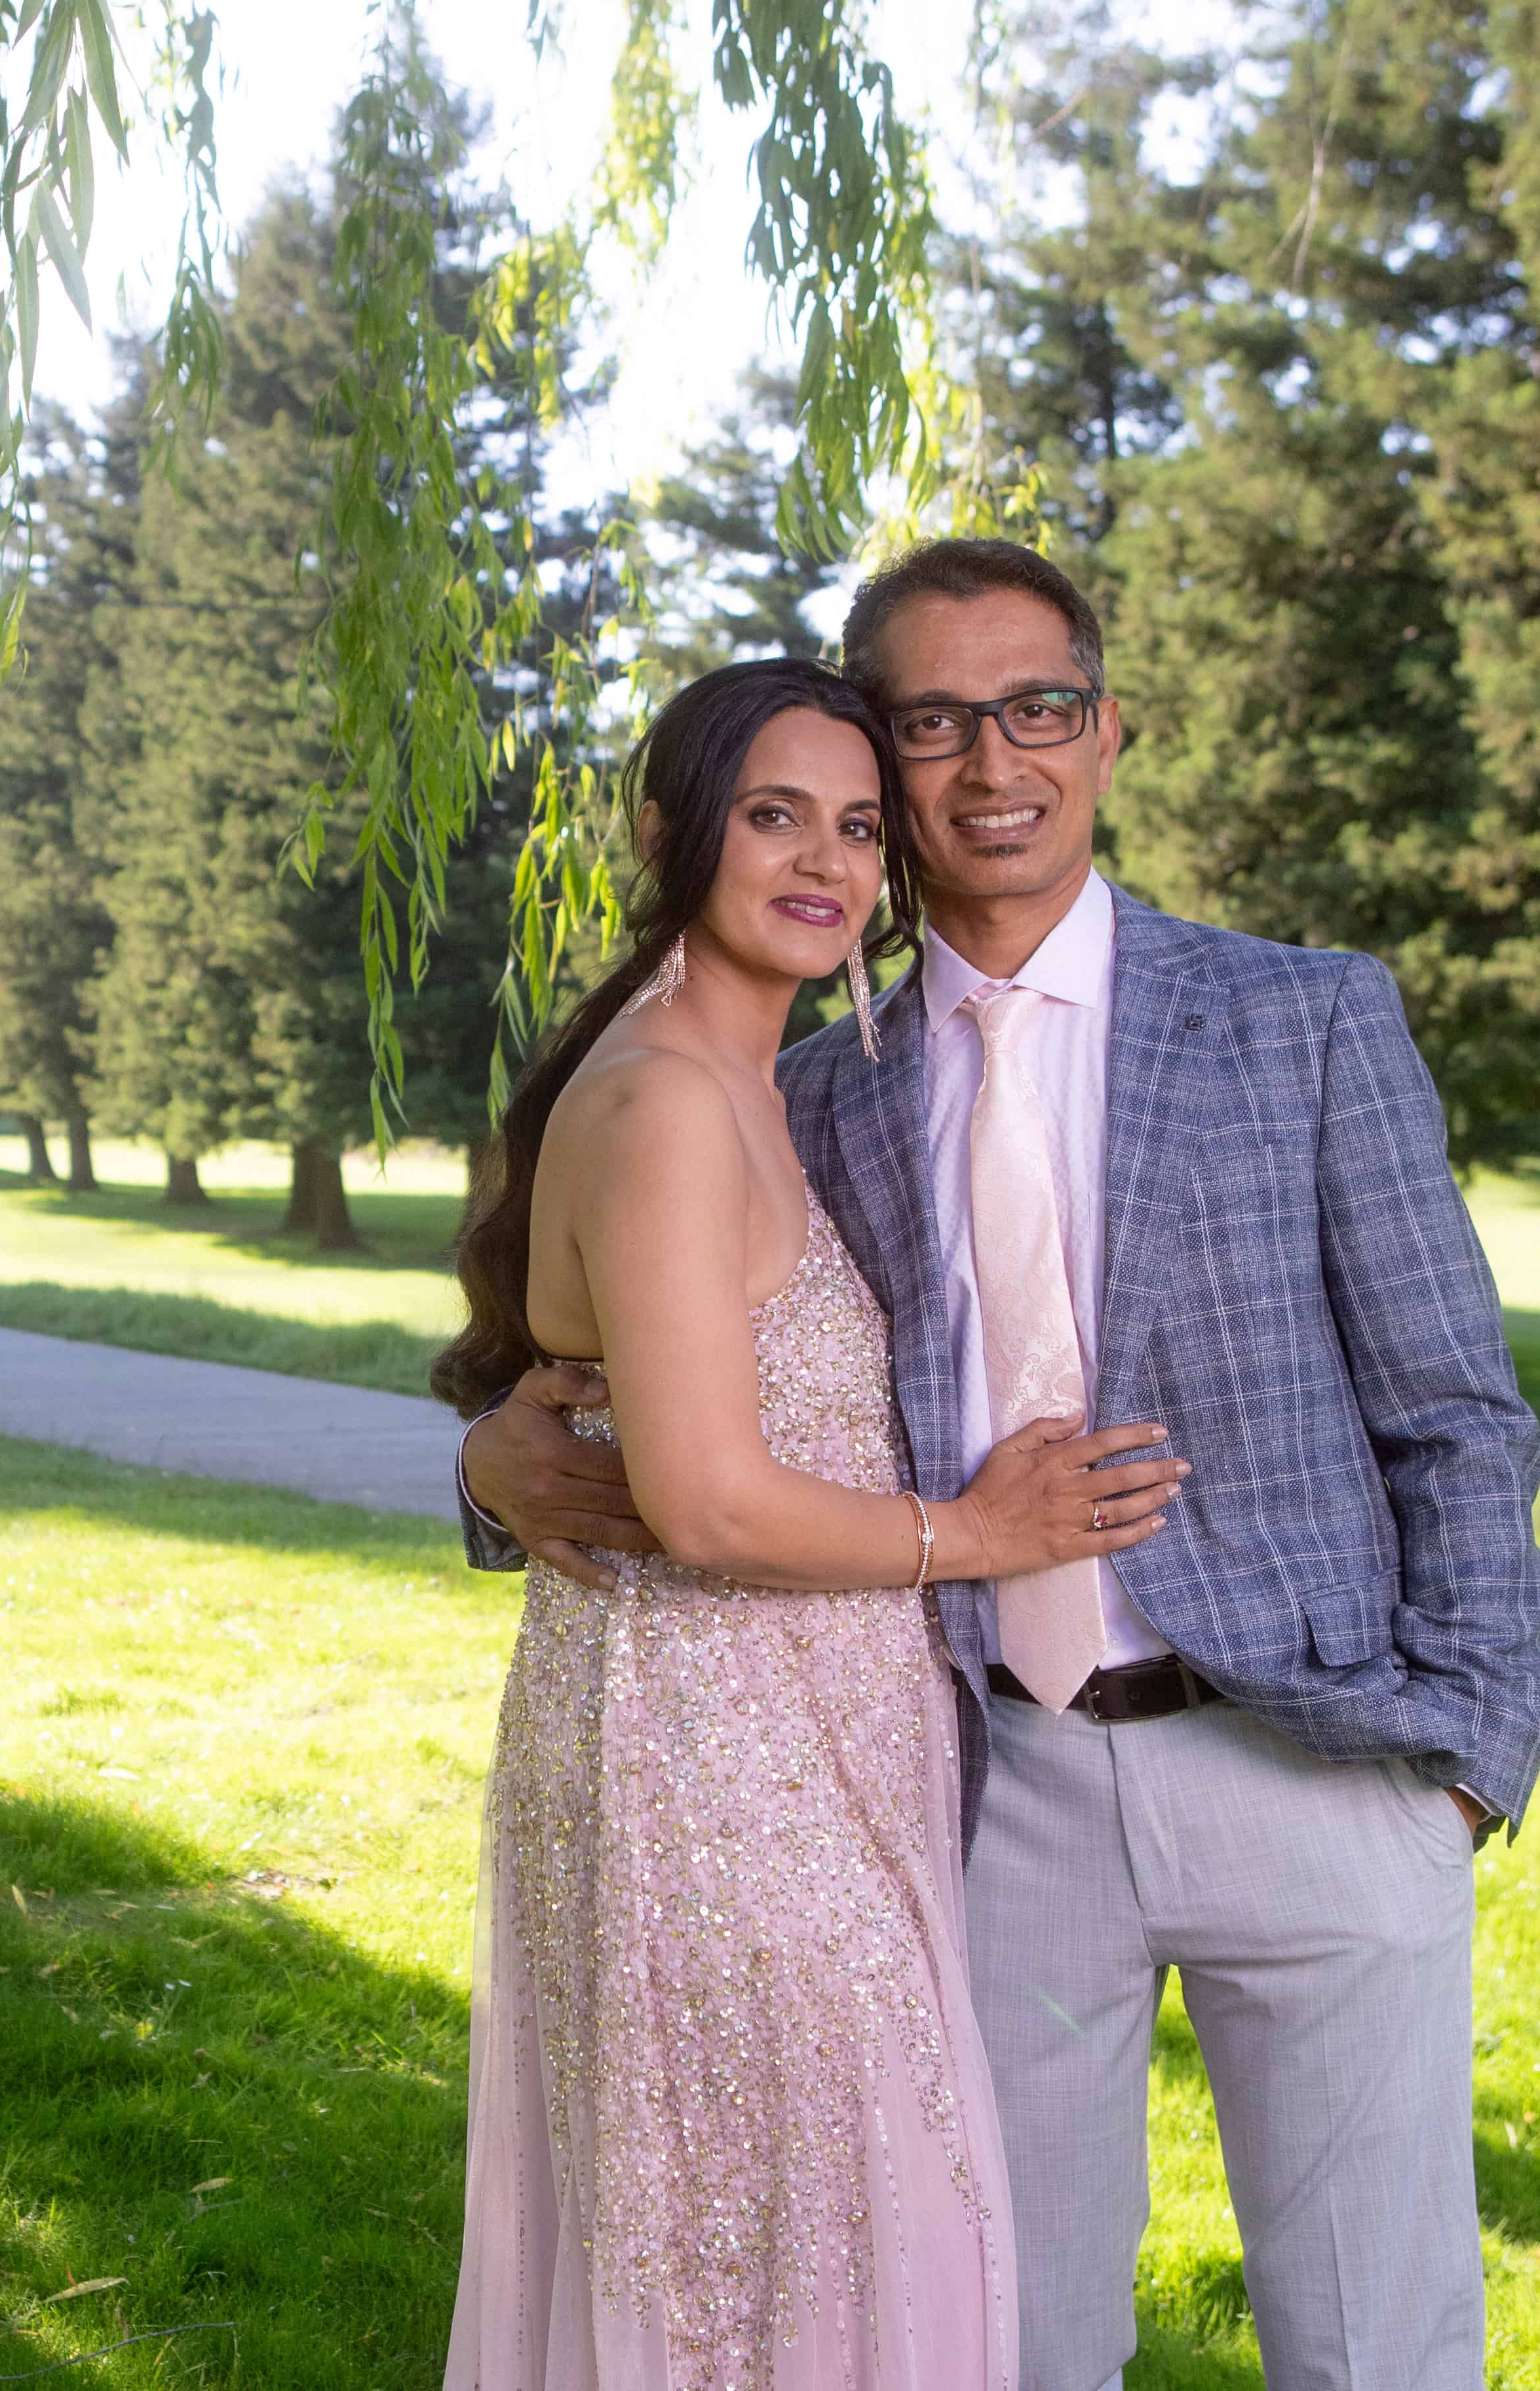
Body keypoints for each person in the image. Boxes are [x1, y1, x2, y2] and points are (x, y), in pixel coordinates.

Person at [461, 543, 1540, 2391]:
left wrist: (1468, 1759)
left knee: (1378, 2349)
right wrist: (499, 1467)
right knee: (1000, 2342)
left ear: (1107, 731)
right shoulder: (807, 1084)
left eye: (1037, 708)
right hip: (997, 1792)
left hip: (1320, 1766)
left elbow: (1456, 1410)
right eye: (935, 724)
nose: (993, 764)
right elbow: (656, 1386)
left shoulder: (1305, 1019)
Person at [434, 656, 1195, 2391]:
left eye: (859, 827)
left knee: (818, 2241)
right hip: (715, 1774)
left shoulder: (765, 1079)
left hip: (808, 1751)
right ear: (670, 832)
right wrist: (975, 1531)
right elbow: (701, 1500)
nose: (827, 863)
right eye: (775, 815)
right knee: (803, 2247)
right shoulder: (668, 1104)